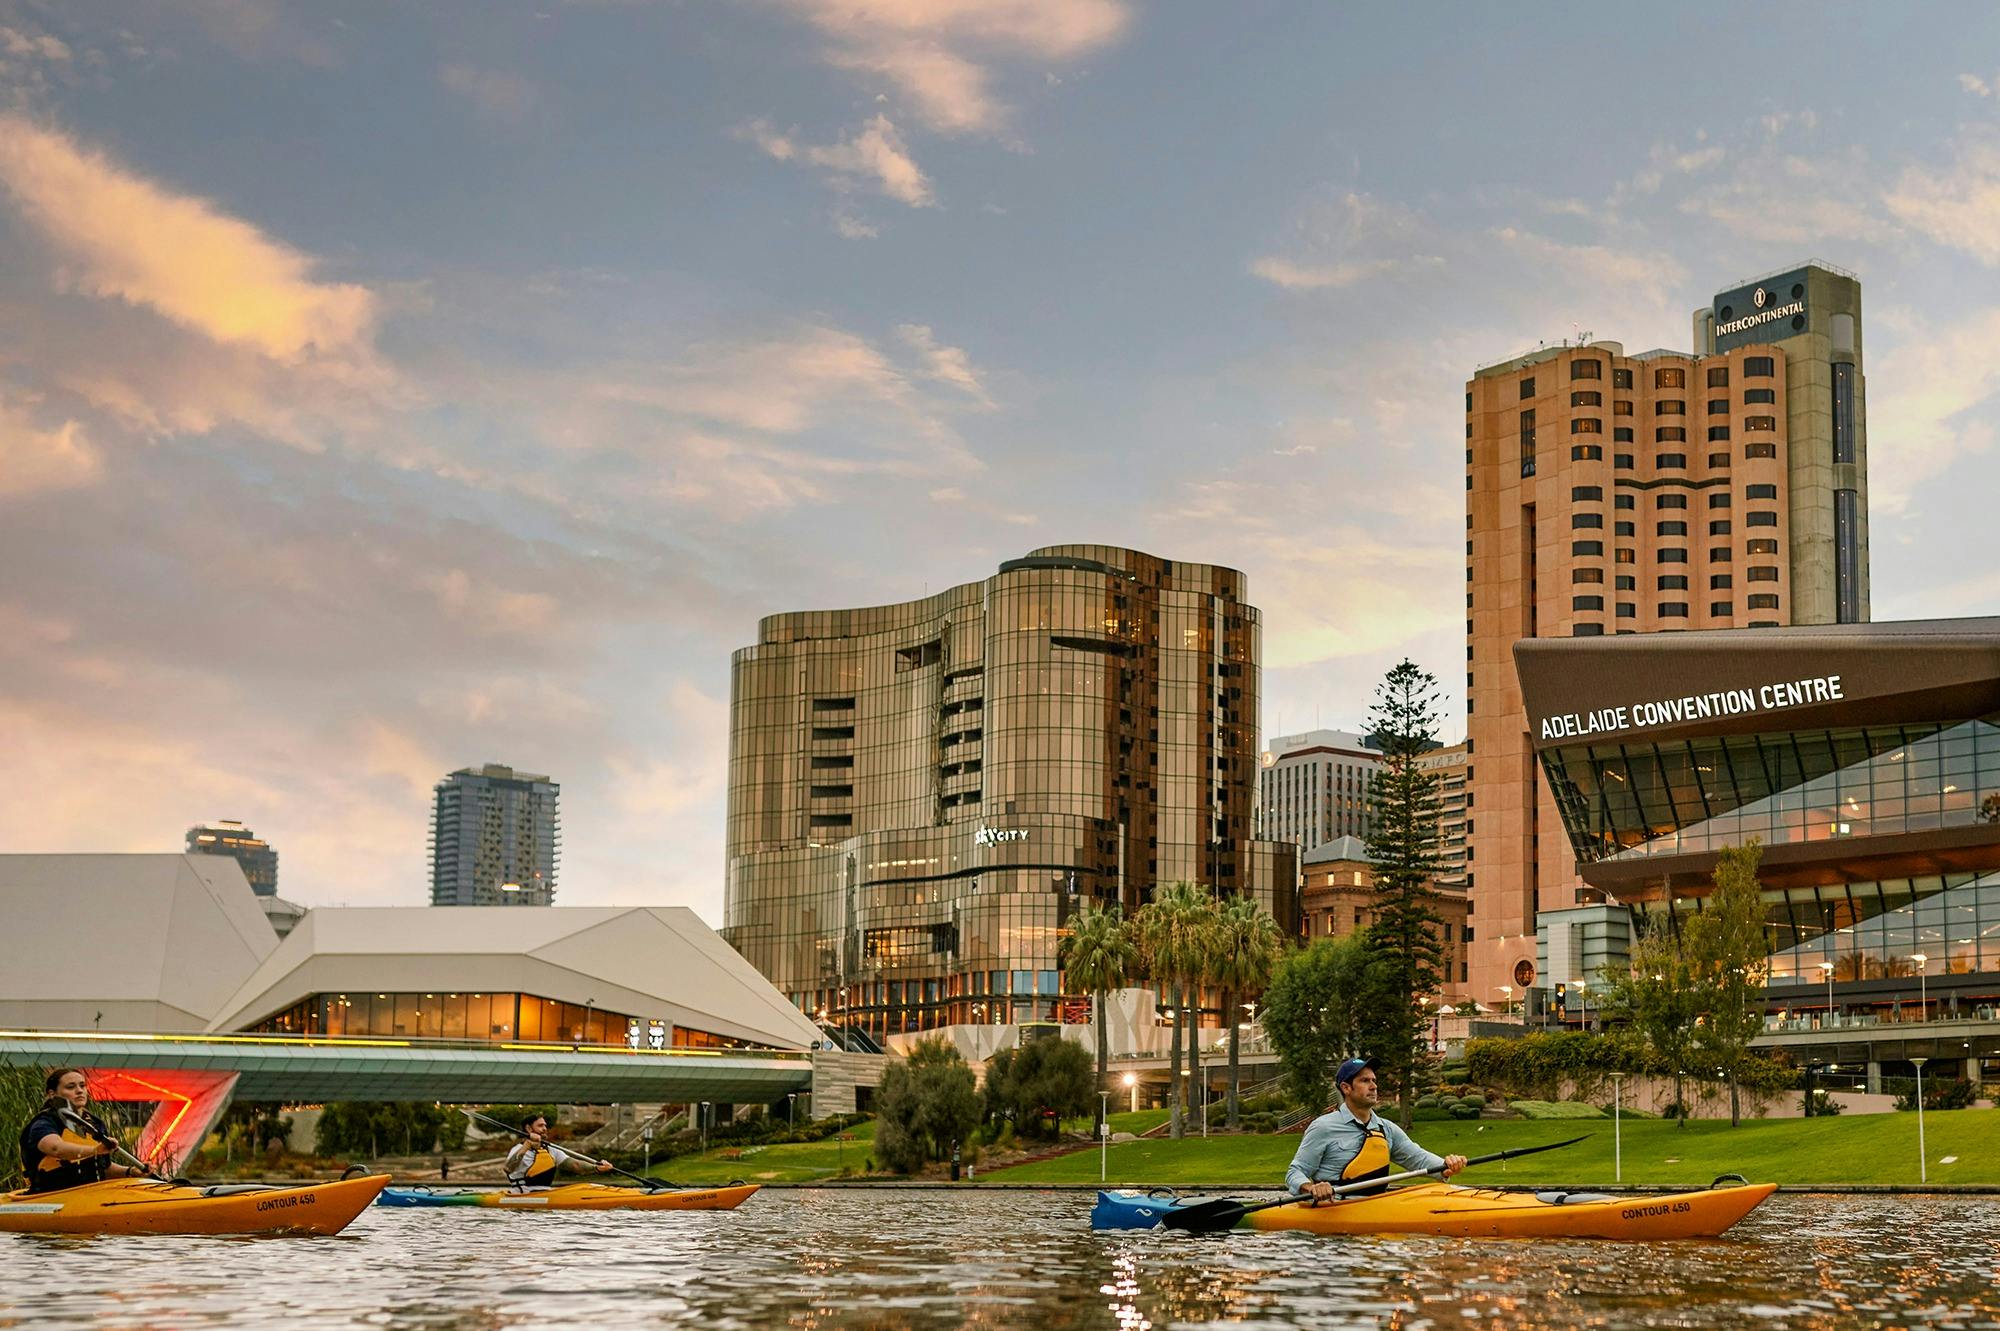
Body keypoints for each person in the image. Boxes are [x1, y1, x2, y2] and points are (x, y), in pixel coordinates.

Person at [1285, 1057, 1468, 1203]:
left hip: (1375, 1207)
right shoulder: (1323, 1127)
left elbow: (1419, 1158)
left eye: (1374, 1080)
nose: (1374, 1086)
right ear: (1346, 1088)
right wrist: (1311, 1188)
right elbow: (1295, 1172)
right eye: (1365, 1081)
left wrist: (1447, 1166)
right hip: (1334, 1209)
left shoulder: (1387, 1129)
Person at [20, 1067, 146, 1193]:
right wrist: (94, 1150)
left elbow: (105, 1169)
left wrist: (130, 1171)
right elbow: (55, 1148)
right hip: (50, 1194)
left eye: (82, 1086)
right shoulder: (44, 1123)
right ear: (52, 1094)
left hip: (90, 1195)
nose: (79, 1091)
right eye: (70, 1087)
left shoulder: (95, 1124)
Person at [504, 1114, 611, 1190]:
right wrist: (526, 1146)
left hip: (545, 1194)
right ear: (529, 1128)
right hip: (522, 1196)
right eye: (540, 1126)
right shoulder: (518, 1149)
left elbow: (575, 1165)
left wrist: (596, 1167)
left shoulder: (551, 1150)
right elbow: (508, 1169)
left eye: (545, 1125)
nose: (545, 1129)